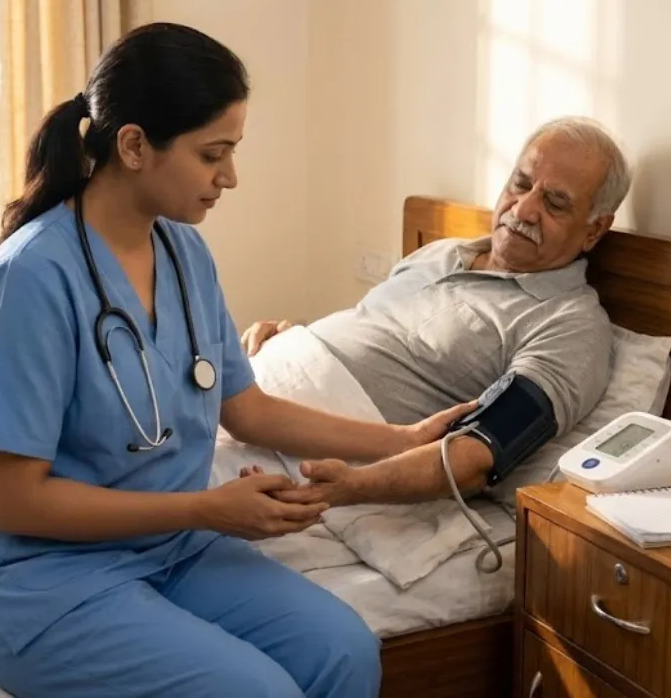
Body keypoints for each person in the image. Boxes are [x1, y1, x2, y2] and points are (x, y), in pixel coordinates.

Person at [0, 22, 473, 698]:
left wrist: (399, 440)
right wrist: (205, 508)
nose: (231, 177)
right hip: (37, 572)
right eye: (212, 153)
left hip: (168, 546)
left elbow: (245, 407)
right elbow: (13, 502)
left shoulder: (184, 253)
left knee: (346, 650)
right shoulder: (32, 277)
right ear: (133, 145)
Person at [241, 117, 631, 509]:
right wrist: (293, 339)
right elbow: (372, 333)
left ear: (594, 230)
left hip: (308, 458)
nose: (524, 209)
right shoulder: (441, 251)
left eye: (555, 203)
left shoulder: (570, 324)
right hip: (246, 397)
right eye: (521, 183)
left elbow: (478, 453)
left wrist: (350, 486)